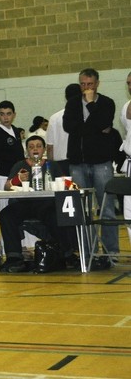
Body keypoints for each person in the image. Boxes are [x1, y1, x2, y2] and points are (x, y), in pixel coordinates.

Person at [64, 68, 118, 263]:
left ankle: (111, 252)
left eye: (89, 84)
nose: (86, 88)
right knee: (83, 210)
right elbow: (68, 127)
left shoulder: (106, 103)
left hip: (101, 163)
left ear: (97, 84)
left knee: (107, 209)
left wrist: (91, 105)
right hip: (77, 163)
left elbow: (104, 121)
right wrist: (95, 127)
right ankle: (88, 252)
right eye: (82, 84)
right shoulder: (72, 103)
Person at [0, 136, 75, 273]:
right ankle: (14, 257)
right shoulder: (20, 165)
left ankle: (66, 254)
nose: (35, 149)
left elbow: (66, 182)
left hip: (46, 203)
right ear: (27, 150)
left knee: (56, 215)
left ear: (43, 149)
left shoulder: (52, 165)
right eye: (31, 147)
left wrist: (72, 185)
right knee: (6, 215)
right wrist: (17, 179)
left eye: (38, 146)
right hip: (24, 203)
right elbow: (7, 186)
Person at [46, 84, 83, 176]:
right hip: (81, 161)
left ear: (66, 97)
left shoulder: (54, 117)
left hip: (60, 164)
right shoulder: (86, 115)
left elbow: (50, 147)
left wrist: (50, 167)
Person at [120, 71, 131, 223]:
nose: (130, 86)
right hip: (130, 164)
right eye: (128, 83)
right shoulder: (125, 107)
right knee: (129, 210)